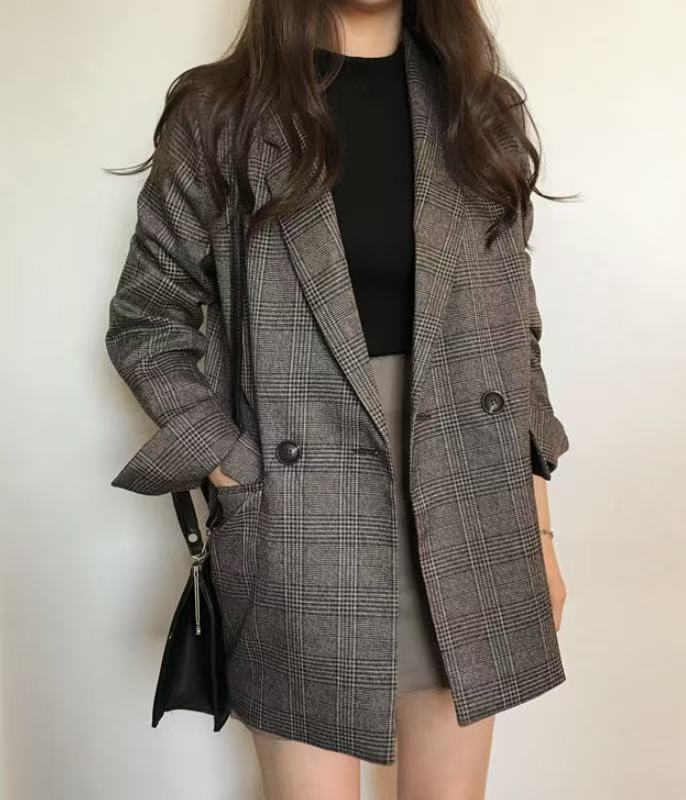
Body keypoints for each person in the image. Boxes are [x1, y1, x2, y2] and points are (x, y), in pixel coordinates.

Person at [105, 0, 571, 796]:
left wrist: (540, 534)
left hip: (469, 506)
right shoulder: (222, 115)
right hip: (300, 514)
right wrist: (230, 464)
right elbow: (147, 320)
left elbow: (514, 333)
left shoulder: (476, 107)